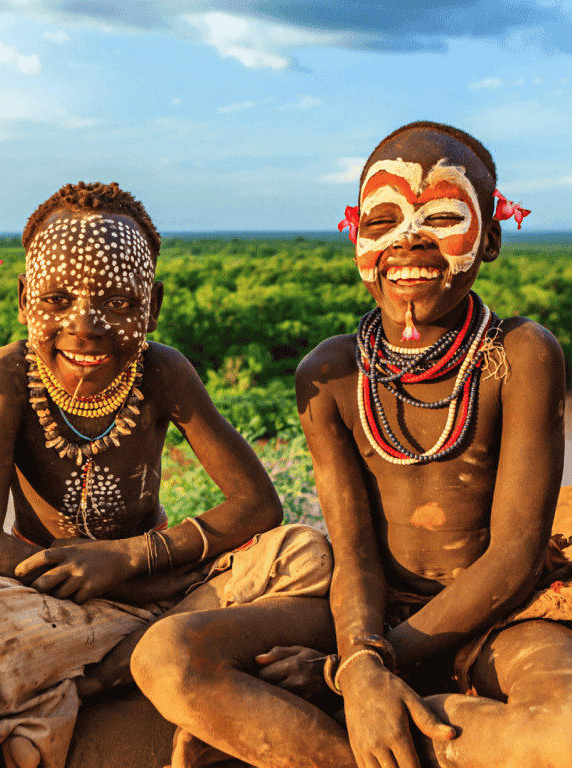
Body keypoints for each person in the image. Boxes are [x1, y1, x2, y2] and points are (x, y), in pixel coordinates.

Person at [131, 121, 572, 768]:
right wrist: (362, 663)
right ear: (357, 235)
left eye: (443, 215)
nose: (409, 238)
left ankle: (397, 732)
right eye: (384, 217)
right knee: (167, 657)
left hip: (504, 614)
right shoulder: (331, 375)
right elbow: (355, 549)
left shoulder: (520, 355)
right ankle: (383, 744)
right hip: (369, 613)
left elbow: (514, 557)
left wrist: (353, 670)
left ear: (493, 238)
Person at [0, 181, 333, 768]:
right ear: (22, 299)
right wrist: (116, 582)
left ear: (154, 306)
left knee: (306, 551)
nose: (84, 325)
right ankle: (143, 666)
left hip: (174, 586)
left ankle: (83, 686)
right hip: (60, 602)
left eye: (117, 303)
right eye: (57, 299)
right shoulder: (9, 374)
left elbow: (259, 507)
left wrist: (132, 559)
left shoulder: (163, 372)